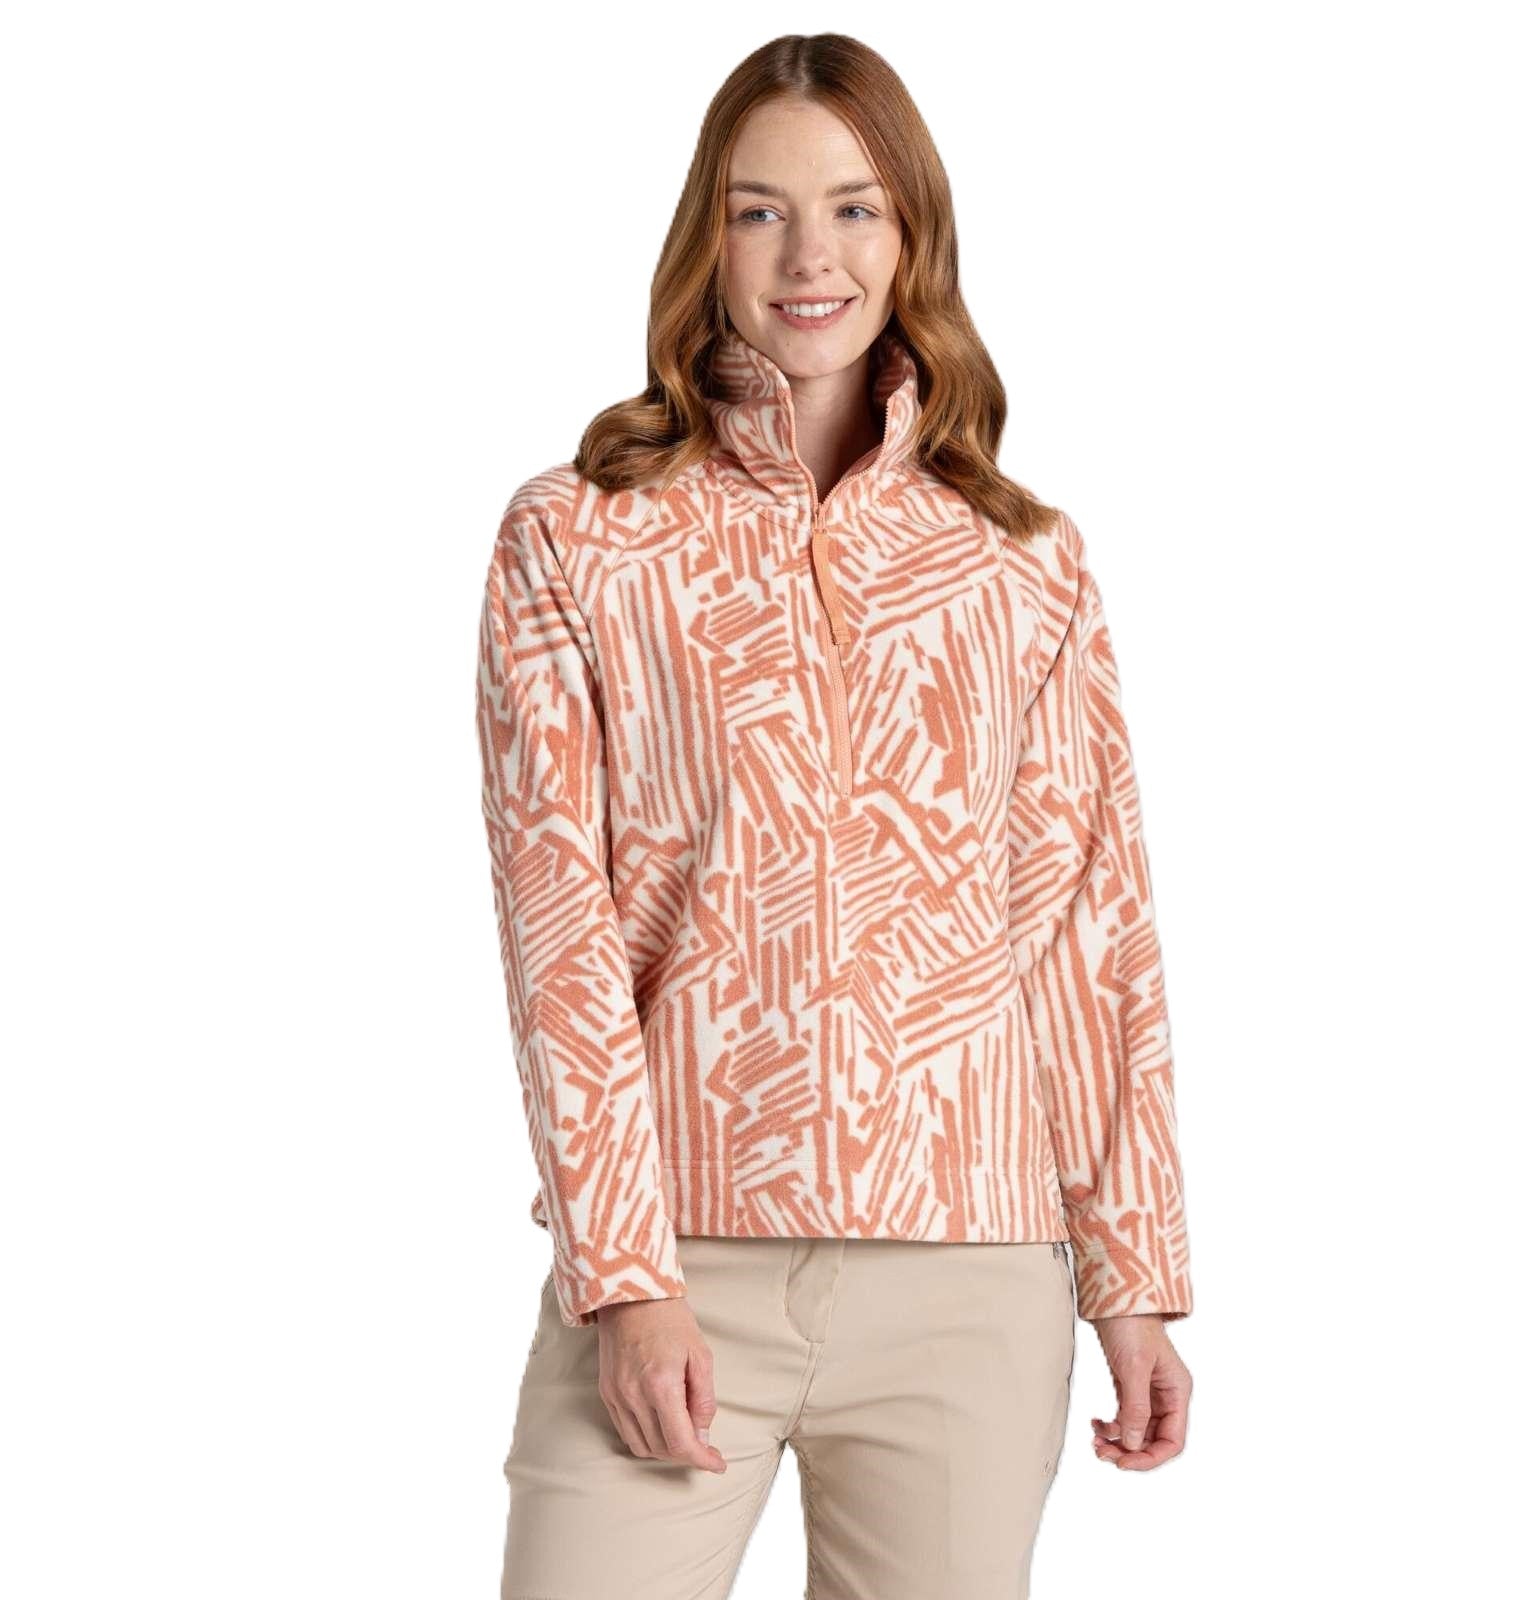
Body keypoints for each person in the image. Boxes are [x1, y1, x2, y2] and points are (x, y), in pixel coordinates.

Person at [474, 32, 1194, 1600]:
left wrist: (1130, 1277)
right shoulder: (580, 537)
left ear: (912, 234)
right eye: (762, 211)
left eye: (856, 208)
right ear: (709, 239)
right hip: (678, 1260)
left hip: (972, 1277)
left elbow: (1089, 935)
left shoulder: (1026, 562)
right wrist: (626, 1276)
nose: (812, 256)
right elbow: (558, 931)